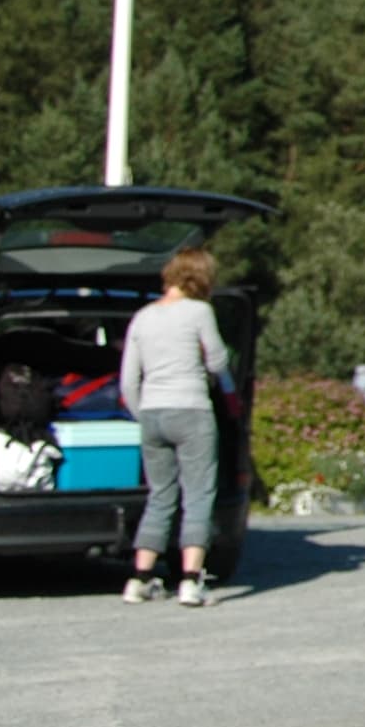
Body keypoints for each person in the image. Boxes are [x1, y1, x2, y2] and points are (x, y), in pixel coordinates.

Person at [120, 245, 231, 607]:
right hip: (192, 410)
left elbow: (127, 381)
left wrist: (142, 414)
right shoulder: (199, 312)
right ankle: (190, 579)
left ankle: (140, 578)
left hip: (152, 412)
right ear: (201, 278)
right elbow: (216, 361)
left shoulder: (142, 317)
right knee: (198, 495)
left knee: (160, 496)